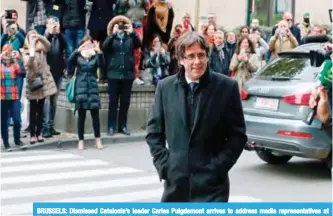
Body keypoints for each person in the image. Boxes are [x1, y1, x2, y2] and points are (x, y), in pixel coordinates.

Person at [146, 31, 247, 202]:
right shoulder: (165, 88)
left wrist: (218, 167)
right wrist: (166, 166)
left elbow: (237, 136)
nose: (197, 62)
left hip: (213, 187)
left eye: (201, 55)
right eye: (191, 56)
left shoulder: (226, 88)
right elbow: (154, 134)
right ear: (181, 59)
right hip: (176, 186)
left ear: (208, 56)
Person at [103, 15, 141, 136]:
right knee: (113, 102)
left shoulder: (130, 38)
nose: (120, 27)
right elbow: (104, 47)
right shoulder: (111, 38)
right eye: (118, 25)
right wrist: (113, 34)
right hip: (113, 74)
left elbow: (138, 43)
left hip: (127, 74)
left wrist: (132, 32)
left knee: (125, 102)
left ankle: (123, 125)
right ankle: (111, 126)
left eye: (122, 24)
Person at [67, 37, 104, 150]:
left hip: (92, 88)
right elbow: (69, 63)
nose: (88, 47)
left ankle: (98, 140)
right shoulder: (78, 56)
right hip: (81, 88)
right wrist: (77, 50)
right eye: (86, 45)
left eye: (90, 45)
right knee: (81, 116)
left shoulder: (95, 56)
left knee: (95, 116)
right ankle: (81, 140)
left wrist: (99, 52)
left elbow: (102, 66)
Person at [21, 30, 58, 144]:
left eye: (34, 35)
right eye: (30, 35)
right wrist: (31, 46)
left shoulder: (42, 49)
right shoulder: (25, 51)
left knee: (41, 108)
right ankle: (32, 134)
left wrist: (39, 37)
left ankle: (39, 133)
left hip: (42, 82)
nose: (33, 37)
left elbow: (48, 45)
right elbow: (29, 63)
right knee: (33, 109)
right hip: (32, 82)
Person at [0, 45, 27, 152]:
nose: (8, 54)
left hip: (14, 95)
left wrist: (19, 59)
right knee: (4, 121)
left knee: (16, 119)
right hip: (2, 97)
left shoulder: (15, 64)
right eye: (6, 52)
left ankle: (17, 140)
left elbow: (22, 73)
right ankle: (6, 142)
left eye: (10, 52)